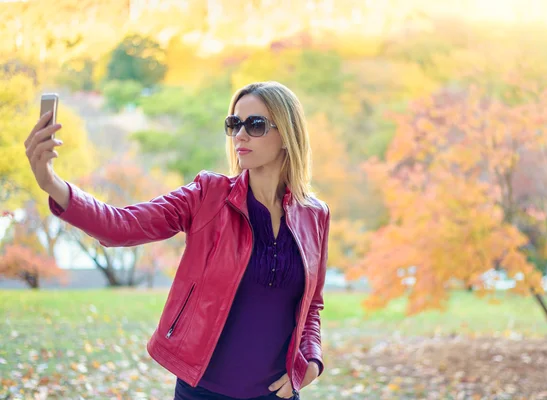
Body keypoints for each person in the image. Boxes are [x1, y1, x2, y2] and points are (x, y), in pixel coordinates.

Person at [24, 81, 330, 400]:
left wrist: (310, 363)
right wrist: (51, 183)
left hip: (276, 395)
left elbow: (312, 306)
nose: (240, 134)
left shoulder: (315, 215)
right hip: (203, 393)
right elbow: (121, 226)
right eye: (234, 124)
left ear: (287, 134)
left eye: (255, 124)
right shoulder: (208, 195)